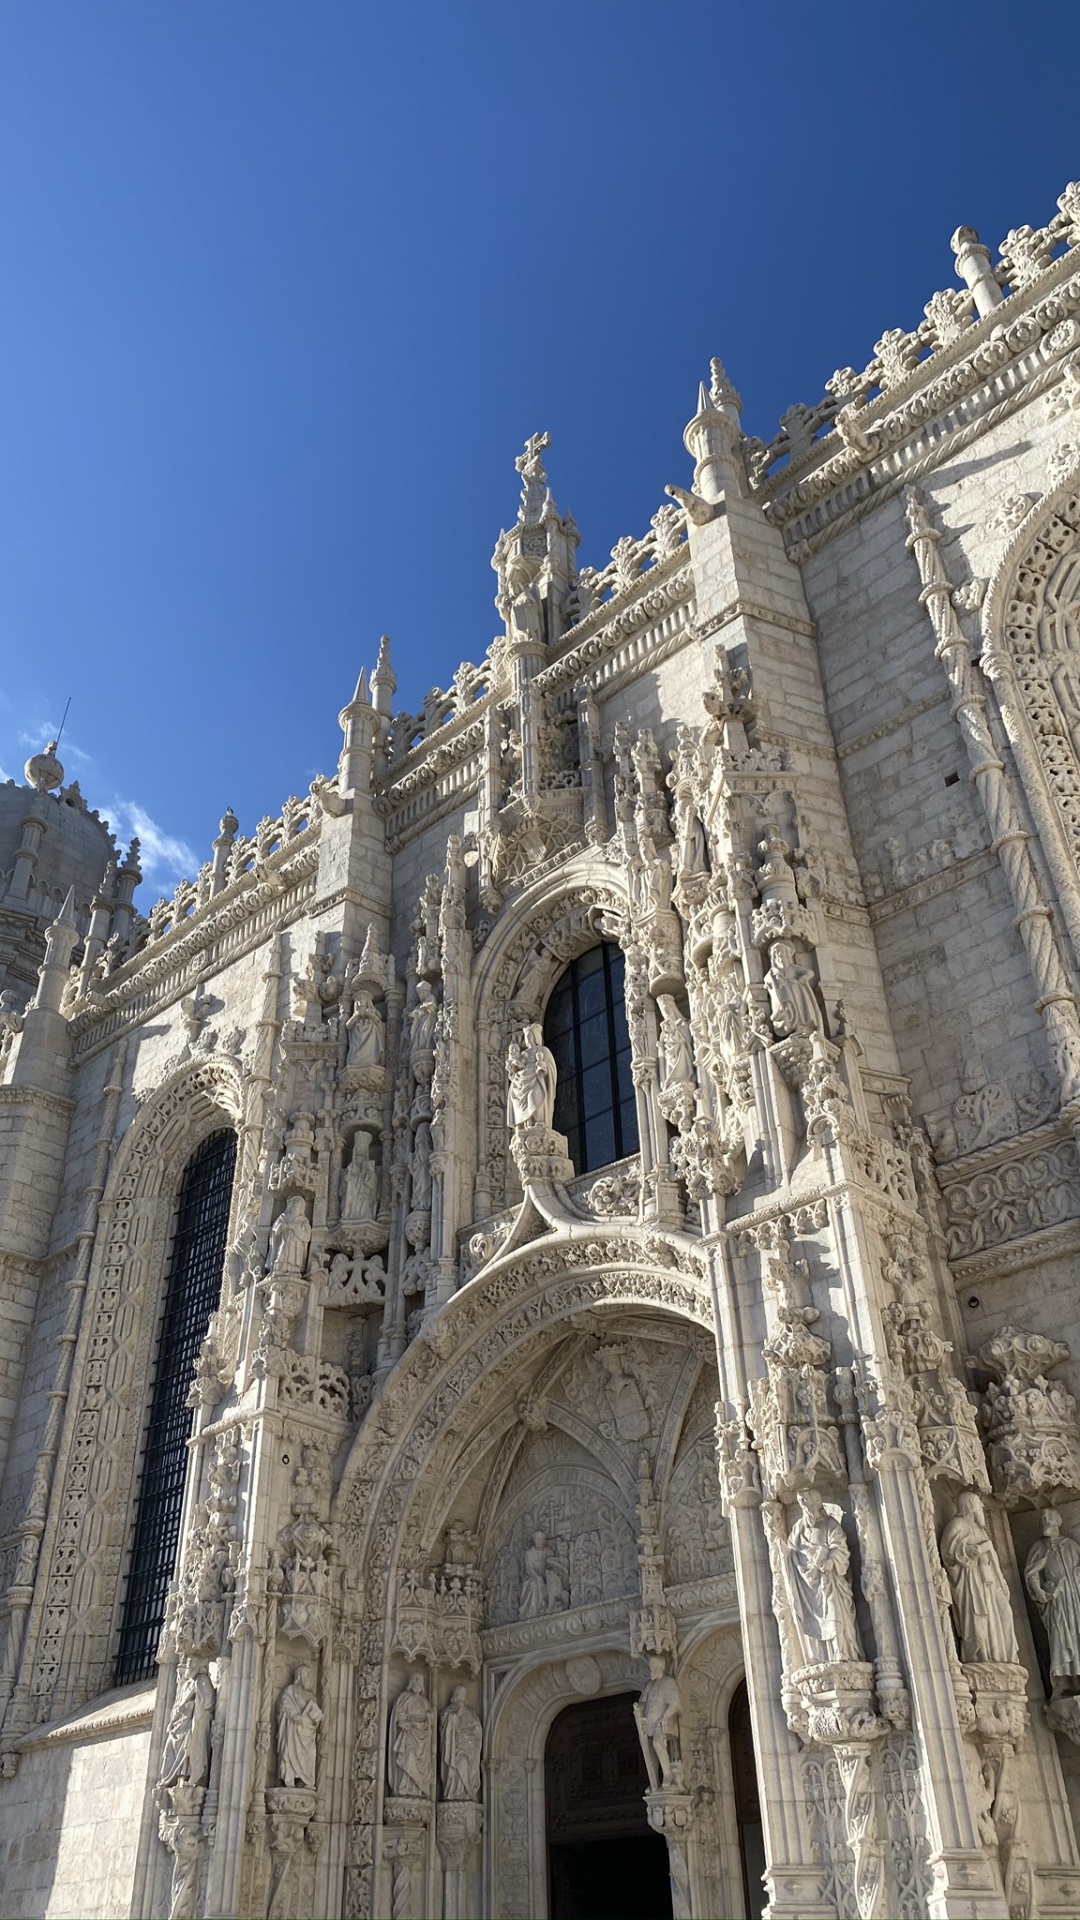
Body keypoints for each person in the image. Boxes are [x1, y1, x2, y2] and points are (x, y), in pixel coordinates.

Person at [940, 1490, 1019, 1665]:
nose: (982, 1507)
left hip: (989, 1581)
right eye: (978, 1504)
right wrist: (966, 1550)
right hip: (971, 1581)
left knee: (1004, 1612)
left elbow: (992, 1557)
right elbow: (947, 1551)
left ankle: (1002, 1657)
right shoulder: (957, 1525)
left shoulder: (980, 1530)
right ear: (970, 1506)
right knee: (978, 1624)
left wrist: (1001, 1580)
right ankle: (980, 1659)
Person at [785, 1488, 862, 1664]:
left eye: (806, 1502)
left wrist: (830, 1561)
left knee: (835, 1611)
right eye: (801, 1503)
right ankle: (820, 1657)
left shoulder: (830, 1524)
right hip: (808, 1586)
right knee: (813, 1622)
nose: (803, 1507)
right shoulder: (798, 1528)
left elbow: (840, 1548)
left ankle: (841, 1652)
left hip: (829, 1581)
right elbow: (791, 1551)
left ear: (815, 1503)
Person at [1026, 1510, 1080, 1693]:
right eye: (1042, 1521)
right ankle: (1063, 1681)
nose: (1045, 1523)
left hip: (1075, 1600)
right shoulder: (1040, 1548)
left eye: (1048, 1520)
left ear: (1058, 1522)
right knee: (1060, 1638)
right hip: (1056, 1602)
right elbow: (1032, 1573)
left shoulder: (1072, 1546)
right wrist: (1040, 1590)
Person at [158, 1660, 215, 1795]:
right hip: (182, 1724)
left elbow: (207, 1703)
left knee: (190, 1746)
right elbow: (177, 1706)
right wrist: (174, 1720)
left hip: (195, 1723)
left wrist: (192, 1707)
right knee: (170, 1744)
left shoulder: (202, 1681)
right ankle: (172, 1778)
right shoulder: (186, 1685)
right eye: (187, 1665)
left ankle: (189, 1777)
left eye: (191, 1665)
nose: (188, 1668)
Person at [276, 1665, 323, 1789]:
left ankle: (306, 1780)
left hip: (308, 1732)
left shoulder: (311, 1696)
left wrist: (316, 1719)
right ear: (300, 1676)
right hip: (293, 1729)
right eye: (307, 1675)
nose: (309, 1679)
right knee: (290, 1747)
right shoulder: (290, 1690)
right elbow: (284, 1705)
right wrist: (295, 1715)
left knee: (311, 1752)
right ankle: (289, 1778)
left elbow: (315, 1712)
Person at [388, 1672, 433, 1798]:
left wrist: (430, 1719)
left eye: (420, 1681)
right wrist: (402, 1721)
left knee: (420, 1763)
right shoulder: (405, 1697)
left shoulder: (424, 1702)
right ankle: (404, 1787)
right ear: (411, 1683)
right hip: (409, 1733)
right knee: (409, 1756)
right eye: (415, 1681)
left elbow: (431, 1720)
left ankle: (417, 1790)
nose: (417, 1684)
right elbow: (400, 1712)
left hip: (422, 1738)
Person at [506, 1024, 558, 1132]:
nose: (528, 1039)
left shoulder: (543, 1051)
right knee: (524, 1103)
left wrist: (543, 1066)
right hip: (523, 1082)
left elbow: (551, 1067)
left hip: (537, 1079)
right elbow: (518, 1067)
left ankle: (538, 1124)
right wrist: (514, 1067)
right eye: (526, 1037)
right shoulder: (524, 1053)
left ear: (535, 1037)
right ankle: (526, 1126)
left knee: (535, 1100)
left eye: (530, 1036)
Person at [439, 1686, 482, 1802]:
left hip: (467, 1747)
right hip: (454, 1748)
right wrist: (454, 1717)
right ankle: (453, 1792)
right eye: (460, 1693)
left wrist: (474, 1731)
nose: (462, 1696)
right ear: (456, 1695)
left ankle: (465, 1792)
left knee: (465, 1764)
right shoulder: (449, 1710)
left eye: (464, 1693)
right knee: (459, 1764)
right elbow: (443, 1725)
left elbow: (476, 1728)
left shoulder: (470, 1712)